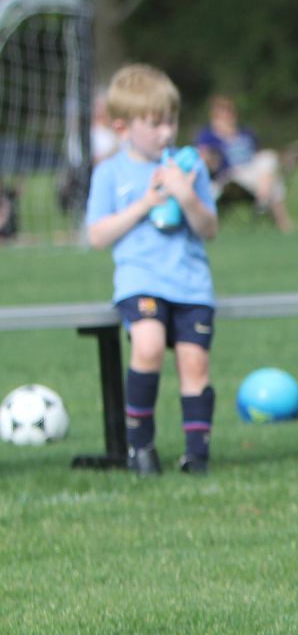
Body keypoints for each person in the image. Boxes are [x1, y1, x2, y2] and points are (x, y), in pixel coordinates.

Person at [84, 63, 220, 476]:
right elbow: (97, 235)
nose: (167, 132)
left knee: (195, 364)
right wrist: (145, 203)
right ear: (123, 128)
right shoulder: (111, 172)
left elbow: (209, 229)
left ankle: (196, 454)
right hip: (140, 282)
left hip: (191, 285)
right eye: (155, 123)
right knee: (147, 346)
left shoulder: (188, 167)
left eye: (172, 121)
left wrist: (187, 195)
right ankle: (139, 447)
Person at [194, 94, 296, 233]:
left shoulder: (245, 133)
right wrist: (211, 156)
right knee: (273, 182)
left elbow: (258, 155)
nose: (228, 117)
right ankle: (274, 214)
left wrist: (285, 157)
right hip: (229, 178)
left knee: (268, 159)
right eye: (222, 113)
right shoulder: (209, 137)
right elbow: (204, 160)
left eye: (230, 112)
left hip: (253, 176)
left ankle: (263, 199)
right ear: (215, 116)